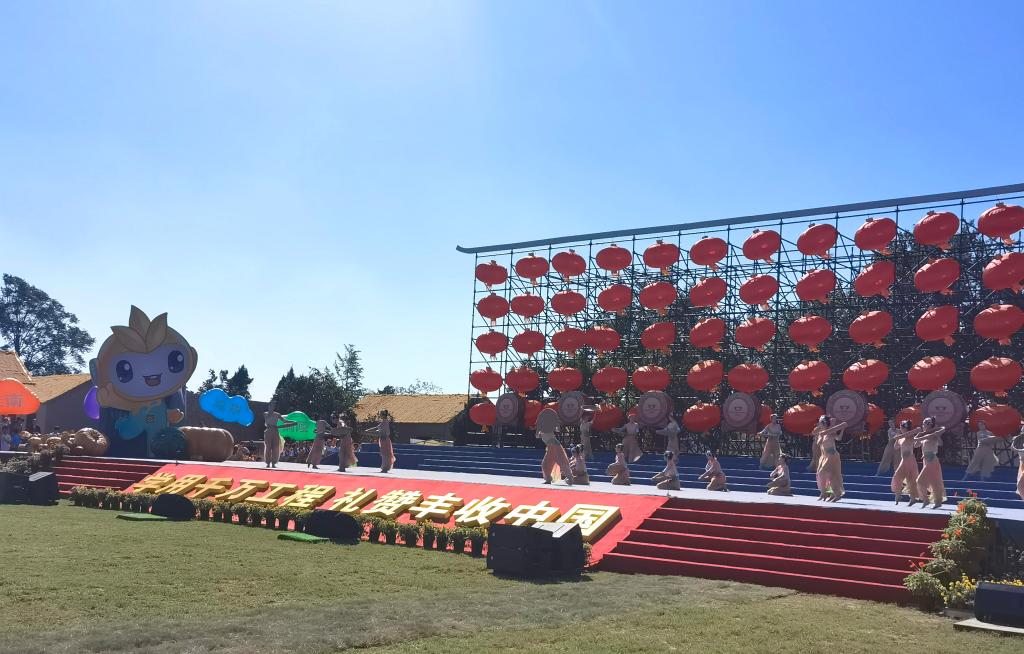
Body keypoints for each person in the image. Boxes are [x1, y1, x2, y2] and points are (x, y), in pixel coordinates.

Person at [914, 417, 947, 509]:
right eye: (923, 423)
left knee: (921, 481)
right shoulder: (923, 435)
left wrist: (937, 435)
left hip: (932, 459)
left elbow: (940, 443)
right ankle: (928, 500)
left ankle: (936, 501)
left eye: (925, 423)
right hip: (925, 460)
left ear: (929, 425)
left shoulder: (933, 434)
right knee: (931, 482)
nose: (923, 425)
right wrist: (919, 435)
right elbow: (916, 445)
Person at [814, 416, 848, 502]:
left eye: (820, 422)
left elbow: (839, 438)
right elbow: (818, 442)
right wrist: (821, 434)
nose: (819, 424)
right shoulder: (822, 432)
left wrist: (842, 429)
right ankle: (826, 493)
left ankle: (835, 494)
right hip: (824, 456)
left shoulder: (831, 431)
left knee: (828, 474)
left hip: (832, 455)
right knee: (821, 474)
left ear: (824, 423)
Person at [536, 408, 572, 486]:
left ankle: (570, 478)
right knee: (545, 464)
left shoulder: (550, 428)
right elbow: (537, 436)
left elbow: (558, 429)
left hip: (555, 445)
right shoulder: (541, 429)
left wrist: (557, 422)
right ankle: (548, 479)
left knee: (561, 461)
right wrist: (538, 430)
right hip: (550, 447)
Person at [891, 421, 923, 506]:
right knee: (897, 477)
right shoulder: (901, 437)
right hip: (903, 460)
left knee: (911, 479)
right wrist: (898, 438)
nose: (900, 429)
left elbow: (916, 441)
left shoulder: (910, 436)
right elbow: (896, 447)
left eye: (901, 427)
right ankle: (898, 495)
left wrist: (918, 432)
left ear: (905, 428)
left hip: (910, 460)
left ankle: (912, 499)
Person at [263, 401, 295, 468]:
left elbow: (285, 421)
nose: (272, 407)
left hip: (275, 431)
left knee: (275, 448)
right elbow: (266, 421)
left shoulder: (277, 414)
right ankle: (268, 463)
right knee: (268, 447)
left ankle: (273, 463)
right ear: (268, 406)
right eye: (270, 405)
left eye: (273, 406)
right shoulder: (265, 413)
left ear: (274, 407)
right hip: (268, 431)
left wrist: (293, 422)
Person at [1011, 428, 1024, 501]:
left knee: (1020, 484)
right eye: (1022, 430)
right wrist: (1015, 441)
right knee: (1020, 485)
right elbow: (1012, 448)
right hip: (1022, 464)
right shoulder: (1018, 440)